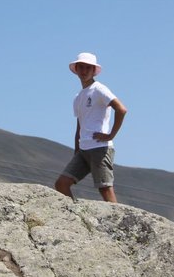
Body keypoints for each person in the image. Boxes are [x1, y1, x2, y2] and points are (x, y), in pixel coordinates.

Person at [55, 52, 128, 203]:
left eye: (88, 68)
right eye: (81, 67)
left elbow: (121, 109)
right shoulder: (78, 97)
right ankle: (74, 218)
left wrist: (110, 135)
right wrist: (77, 149)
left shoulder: (99, 89)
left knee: (105, 189)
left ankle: (118, 225)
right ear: (76, 69)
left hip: (99, 148)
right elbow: (80, 125)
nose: (83, 71)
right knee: (62, 183)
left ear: (94, 70)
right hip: (83, 150)